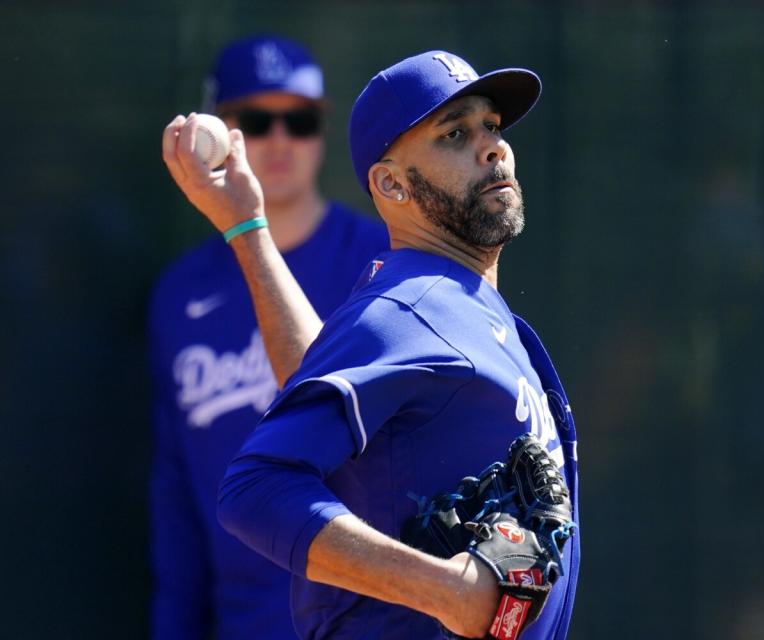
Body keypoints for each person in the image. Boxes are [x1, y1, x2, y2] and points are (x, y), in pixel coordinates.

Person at [162, 50, 580, 639]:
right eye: (455, 133)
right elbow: (255, 489)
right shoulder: (410, 307)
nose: (492, 146)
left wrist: (248, 228)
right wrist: (446, 590)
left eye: (491, 126)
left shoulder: (460, 312)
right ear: (390, 183)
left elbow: (313, 374)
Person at [149, 35, 388, 640]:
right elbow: (177, 492)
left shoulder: (384, 260)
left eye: (300, 120)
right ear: (221, 130)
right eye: (257, 120)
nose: (280, 141)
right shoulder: (181, 293)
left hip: (372, 612)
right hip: (243, 622)